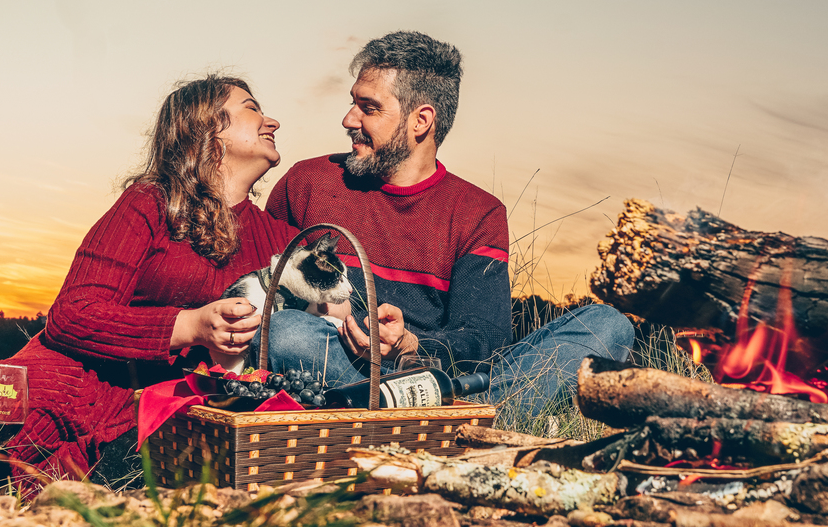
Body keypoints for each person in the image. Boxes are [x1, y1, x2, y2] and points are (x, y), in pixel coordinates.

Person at [0, 75, 298, 493]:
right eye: (252, 108)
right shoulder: (150, 202)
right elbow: (71, 315)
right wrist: (191, 327)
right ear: (205, 127)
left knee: (130, 479)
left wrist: (368, 326)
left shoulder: (279, 239)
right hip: (77, 376)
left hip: (169, 406)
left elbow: (313, 326)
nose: (271, 121)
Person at [264, 31, 634, 415]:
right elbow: (258, 284)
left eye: (368, 108)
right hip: (346, 369)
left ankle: (441, 416)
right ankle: (462, 422)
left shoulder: (478, 212)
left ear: (421, 121)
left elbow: (485, 339)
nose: (349, 119)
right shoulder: (309, 182)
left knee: (607, 325)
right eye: (352, 103)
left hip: (443, 380)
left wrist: (410, 345)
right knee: (289, 334)